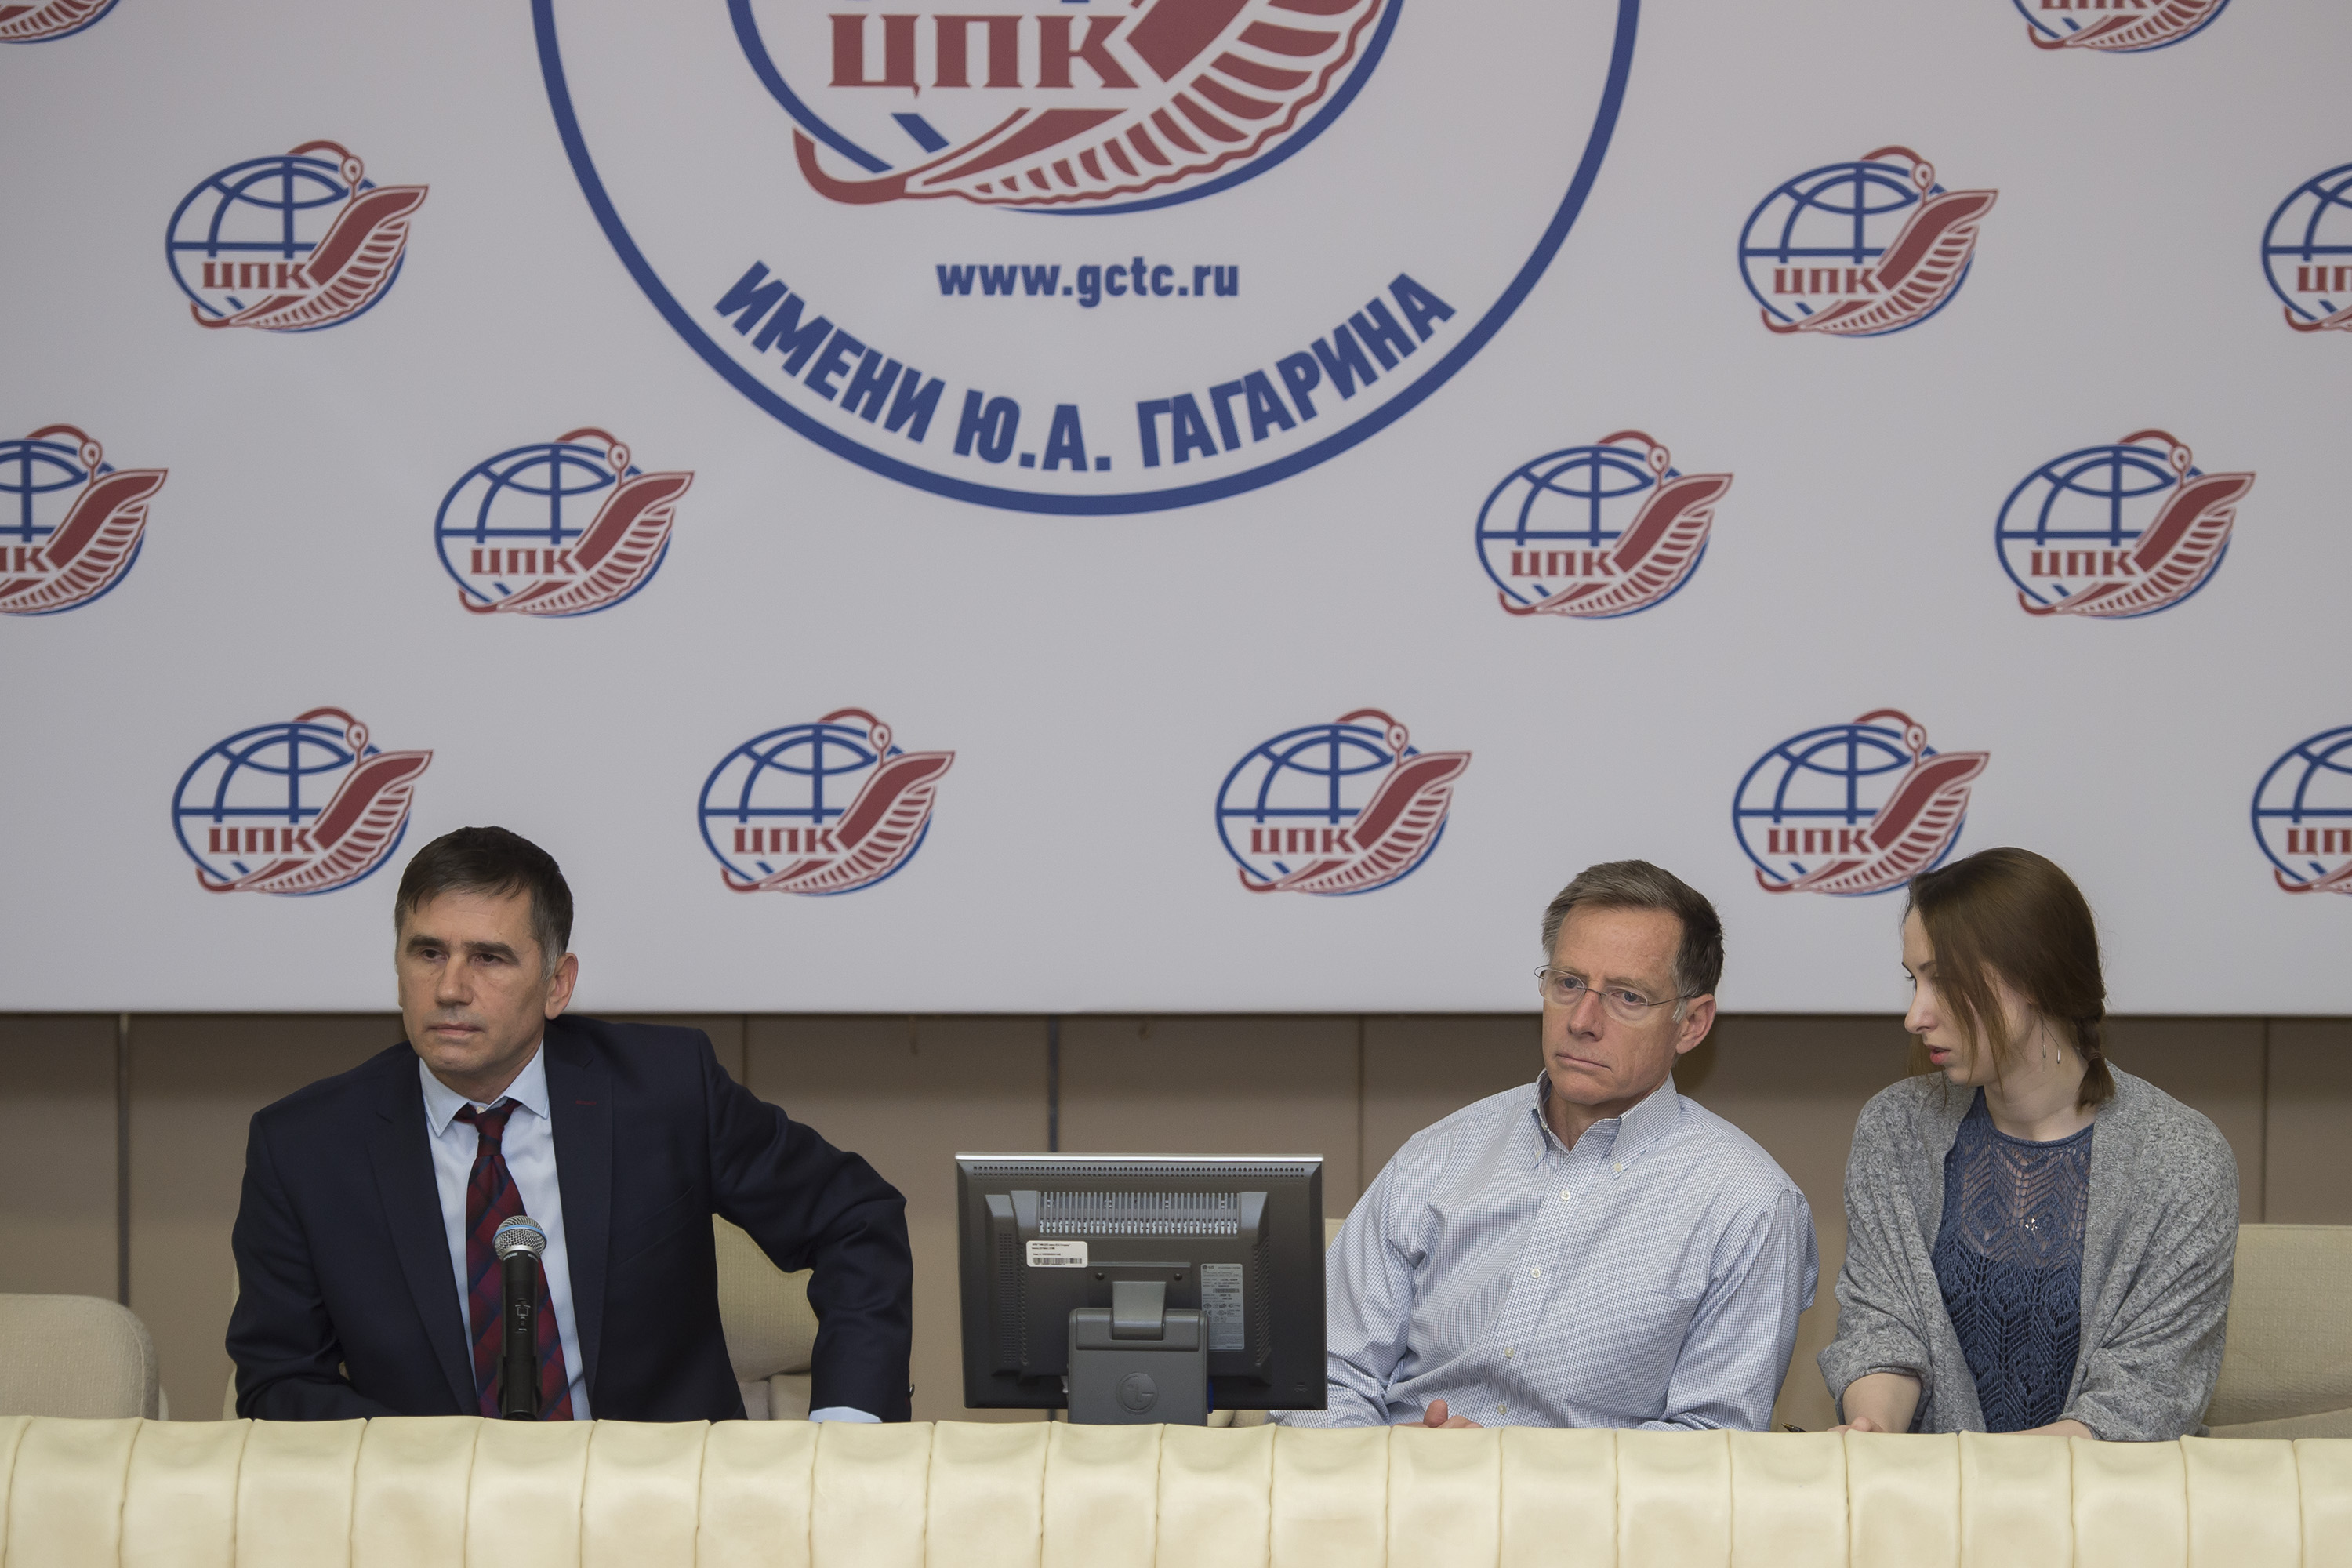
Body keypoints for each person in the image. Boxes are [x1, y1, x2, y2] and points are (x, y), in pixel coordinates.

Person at [227, 826, 914, 1422]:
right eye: (428, 953)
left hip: (661, 1503)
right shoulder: (306, 1148)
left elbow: (854, 1217)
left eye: (489, 958)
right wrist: (433, 1463)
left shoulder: (664, 1091)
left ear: (557, 984)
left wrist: (846, 1429)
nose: (451, 989)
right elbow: (279, 1379)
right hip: (432, 1507)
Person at [1285, 861, 1817, 1431]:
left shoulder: (1749, 1206)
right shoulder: (1438, 1158)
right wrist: (1387, 1461)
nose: (1582, 1020)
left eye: (1627, 997)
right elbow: (1323, 1375)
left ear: (1691, 1024)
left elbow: (1712, 1441)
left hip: (1593, 1493)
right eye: (1568, 984)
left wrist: (1512, 1472)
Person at [1820, 847, 2237, 1439]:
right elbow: (1883, 1325)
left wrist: (1968, 1475)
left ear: (2034, 978)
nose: (1915, 1016)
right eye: (1915, 981)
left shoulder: (2182, 1162)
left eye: (1944, 981)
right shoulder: (1896, 1128)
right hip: (1924, 1492)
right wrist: (1873, 1433)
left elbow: (2141, 1404)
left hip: (2101, 1495)